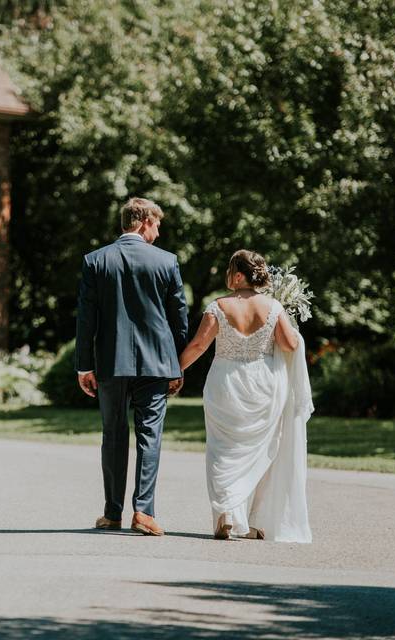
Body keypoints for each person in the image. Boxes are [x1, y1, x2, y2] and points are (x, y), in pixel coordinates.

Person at [179, 250, 313, 543]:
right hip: (264, 386)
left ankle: (227, 514)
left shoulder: (218, 306)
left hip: (226, 384)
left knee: (223, 450)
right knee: (260, 451)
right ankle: (248, 520)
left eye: (229, 271)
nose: (227, 277)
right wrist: (292, 330)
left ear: (238, 276)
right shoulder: (274, 307)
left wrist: (176, 370)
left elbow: (200, 344)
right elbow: (290, 345)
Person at [75, 197, 189, 536]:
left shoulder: (96, 261)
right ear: (143, 222)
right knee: (150, 436)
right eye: (157, 224)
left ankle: (112, 513)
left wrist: (84, 366)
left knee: (112, 435)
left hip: (111, 362)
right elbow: (179, 319)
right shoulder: (167, 262)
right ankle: (144, 512)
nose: (158, 231)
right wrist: (177, 365)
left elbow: (86, 319)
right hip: (157, 364)